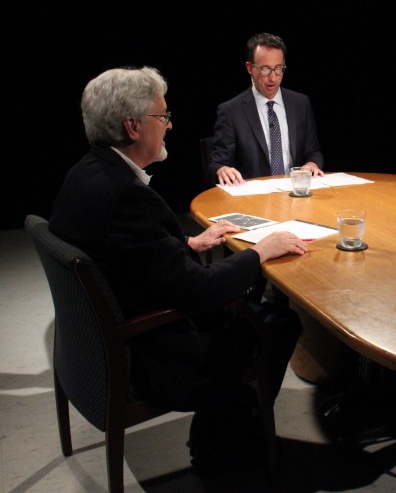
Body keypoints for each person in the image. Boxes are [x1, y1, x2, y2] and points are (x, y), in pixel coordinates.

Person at [49, 66, 305, 470]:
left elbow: (122, 251)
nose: (169, 126)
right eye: (162, 116)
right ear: (133, 127)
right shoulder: (127, 196)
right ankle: (228, 436)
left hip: (103, 336)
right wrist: (261, 252)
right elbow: (197, 291)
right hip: (155, 352)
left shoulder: (85, 173)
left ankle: (228, 423)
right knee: (279, 323)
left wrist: (187, 243)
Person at [208, 32, 324, 186]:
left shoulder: (301, 103)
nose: (273, 78)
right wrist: (221, 169)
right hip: (252, 197)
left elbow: (313, 152)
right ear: (250, 68)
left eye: (278, 68)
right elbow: (217, 163)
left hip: (296, 194)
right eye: (265, 69)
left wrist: (312, 164)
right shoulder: (231, 111)